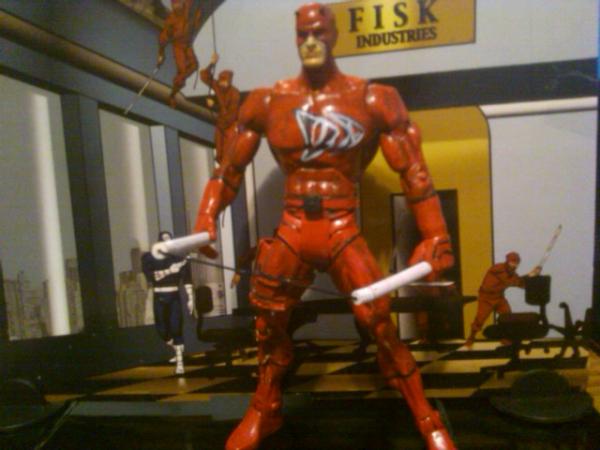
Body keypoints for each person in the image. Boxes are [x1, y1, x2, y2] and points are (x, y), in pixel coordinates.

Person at [193, 3, 455, 449]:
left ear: (333, 35)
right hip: (293, 225)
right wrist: (206, 216)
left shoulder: (372, 99)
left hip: (340, 226)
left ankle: (427, 418)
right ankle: (266, 408)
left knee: (378, 321)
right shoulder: (268, 102)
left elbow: (414, 172)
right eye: (304, 34)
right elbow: (228, 169)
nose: (311, 41)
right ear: (296, 37)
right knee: (268, 319)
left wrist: (435, 234)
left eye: (319, 32)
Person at [142, 231, 194, 374]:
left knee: (176, 327)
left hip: (174, 296)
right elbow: (151, 277)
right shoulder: (150, 258)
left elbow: (187, 278)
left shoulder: (179, 257)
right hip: (159, 296)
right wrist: (169, 271)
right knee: (162, 330)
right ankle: (176, 349)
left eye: (169, 239)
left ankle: (180, 362)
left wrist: (191, 298)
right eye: (164, 239)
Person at [465, 251, 541, 347]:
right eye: (512, 262)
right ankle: (471, 338)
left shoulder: (512, 274)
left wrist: (533, 276)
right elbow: (511, 281)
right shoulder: (497, 269)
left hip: (499, 297)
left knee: (507, 318)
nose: (514, 265)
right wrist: (530, 275)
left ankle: (505, 338)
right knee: (480, 319)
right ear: (507, 261)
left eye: (516, 263)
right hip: (486, 298)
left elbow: (521, 284)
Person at [156, 0, 202, 107]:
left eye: (178, 3)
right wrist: (161, 54)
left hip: (188, 44)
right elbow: (163, 39)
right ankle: (172, 95)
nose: (176, 6)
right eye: (174, 4)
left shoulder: (188, 8)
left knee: (194, 65)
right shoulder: (171, 20)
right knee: (182, 71)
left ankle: (181, 78)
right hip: (178, 47)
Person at [200, 53, 241, 164]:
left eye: (224, 81)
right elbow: (204, 76)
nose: (221, 83)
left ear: (229, 81)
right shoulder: (217, 86)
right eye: (220, 80)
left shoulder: (235, 94)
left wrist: (214, 106)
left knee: (230, 153)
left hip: (230, 126)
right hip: (220, 124)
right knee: (219, 154)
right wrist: (212, 63)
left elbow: (231, 115)